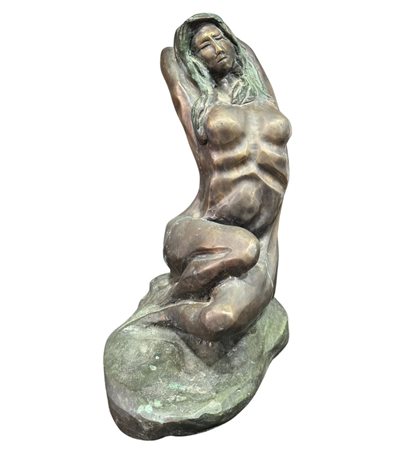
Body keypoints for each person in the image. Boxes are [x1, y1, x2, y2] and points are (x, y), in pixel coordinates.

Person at [158, 13, 291, 341]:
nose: (217, 47)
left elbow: (243, 50)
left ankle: (178, 304)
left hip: (261, 241)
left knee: (221, 319)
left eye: (220, 39)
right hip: (199, 230)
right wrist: (189, 44)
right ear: (194, 59)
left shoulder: (261, 97)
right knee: (242, 248)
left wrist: (226, 39)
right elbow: (170, 57)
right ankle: (166, 306)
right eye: (205, 45)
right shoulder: (203, 107)